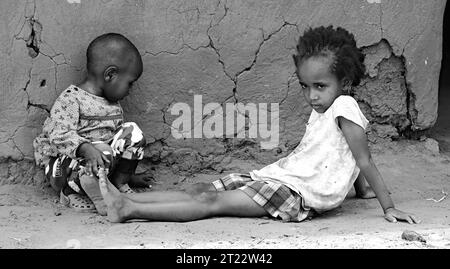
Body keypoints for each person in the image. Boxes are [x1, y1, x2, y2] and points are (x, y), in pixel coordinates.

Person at [98, 26, 420, 224]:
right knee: (200, 190)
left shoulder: (345, 106)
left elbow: (363, 158)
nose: (311, 95)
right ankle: (123, 201)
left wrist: (388, 206)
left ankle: (126, 208)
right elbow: (344, 156)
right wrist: (359, 189)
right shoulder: (326, 109)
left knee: (210, 203)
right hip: (278, 178)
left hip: (294, 194)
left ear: (345, 81)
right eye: (305, 86)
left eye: (320, 86)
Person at [33, 33, 151, 215]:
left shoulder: (112, 104)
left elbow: (117, 143)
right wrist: (85, 148)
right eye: (130, 83)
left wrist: (127, 171)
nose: (130, 90)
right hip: (69, 165)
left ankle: (119, 182)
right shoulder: (72, 99)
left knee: (133, 133)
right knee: (101, 150)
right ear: (110, 75)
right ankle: (71, 192)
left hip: (102, 161)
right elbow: (58, 134)